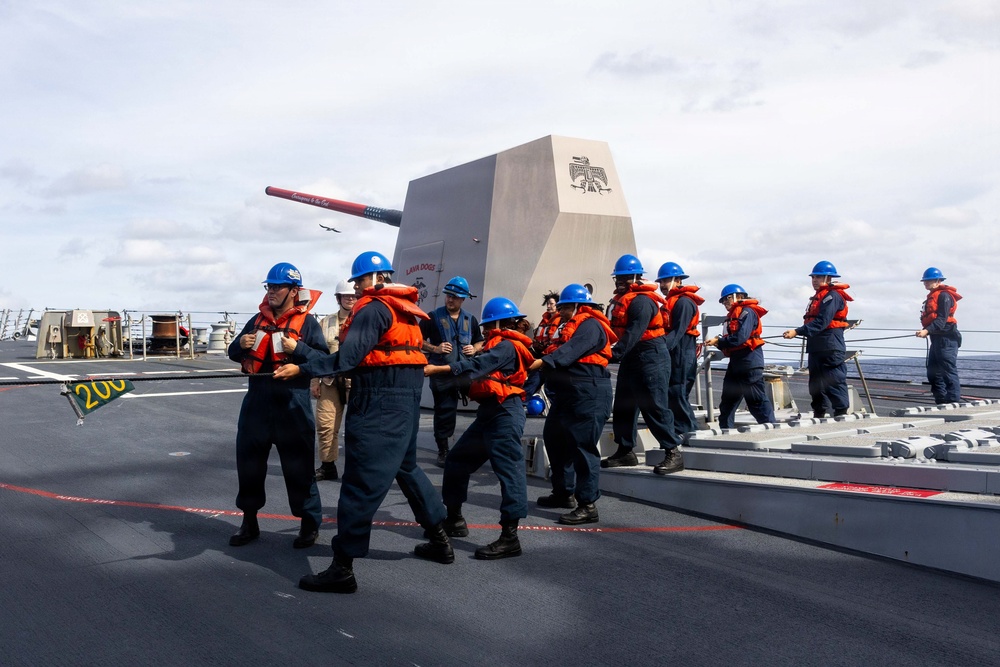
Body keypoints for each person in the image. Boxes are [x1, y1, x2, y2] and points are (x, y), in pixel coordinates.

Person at [274, 251, 452, 594]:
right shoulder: (405, 311)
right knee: (407, 468)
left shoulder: (372, 309)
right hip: (407, 398)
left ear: (373, 279)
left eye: (358, 281)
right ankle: (439, 539)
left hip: (379, 400)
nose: (355, 288)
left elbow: (349, 359)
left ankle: (343, 567)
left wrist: (302, 362)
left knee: (359, 483)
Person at [424, 297, 535, 559]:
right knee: (457, 461)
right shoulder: (497, 345)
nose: (483, 332)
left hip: (505, 413)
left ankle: (510, 537)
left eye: (486, 327)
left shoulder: (507, 346)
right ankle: (454, 519)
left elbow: (476, 366)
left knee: (509, 473)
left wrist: (440, 368)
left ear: (498, 322)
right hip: (489, 412)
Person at [226, 262, 325, 550]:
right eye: (268, 286)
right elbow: (234, 354)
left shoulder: (307, 323)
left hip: (293, 404)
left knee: (299, 468)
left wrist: (299, 353)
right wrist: (240, 345)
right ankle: (249, 521)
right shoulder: (256, 320)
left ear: (294, 291)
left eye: (277, 287)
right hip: (256, 402)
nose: (271, 291)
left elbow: (322, 359)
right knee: (249, 465)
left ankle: (309, 524)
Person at [533, 284, 616, 523]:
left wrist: (542, 362)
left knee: (583, 447)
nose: (563, 313)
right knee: (554, 438)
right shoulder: (568, 325)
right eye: (561, 308)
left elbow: (569, 351)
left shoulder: (591, 325)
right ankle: (563, 492)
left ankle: (588, 504)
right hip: (568, 392)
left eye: (567, 308)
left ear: (580, 306)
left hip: (588, 391)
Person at [602, 254, 684, 475]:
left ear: (637, 277)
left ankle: (673, 452)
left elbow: (633, 333)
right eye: (618, 277)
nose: (621, 281)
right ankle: (625, 450)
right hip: (632, 356)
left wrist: (611, 354)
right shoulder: (623, 300)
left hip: (651, 355)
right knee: (623, 405)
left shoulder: (642, 301)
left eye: (626, 277)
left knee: (654, 405)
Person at [420, 276, 485, 466]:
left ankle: (478, 444)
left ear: (463, 299)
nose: (450, 299)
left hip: (465, 373)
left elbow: (480, 341)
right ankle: (443, 450)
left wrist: (475, 349)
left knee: (485, 403)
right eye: (448, 295)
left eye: (455, 297)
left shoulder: (470, 319)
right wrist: (435, 349)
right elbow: (417, 339)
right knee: (444, 413)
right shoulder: (432, 317)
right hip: (442, 374)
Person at [782, 261, 854, 418]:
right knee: (816, 384)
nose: (814, 280)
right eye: (813, 277)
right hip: (816, 346)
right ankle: (820, 412)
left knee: (833, 380)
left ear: (828, 278)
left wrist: (797, 331)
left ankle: (841, 413)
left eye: (818, 277)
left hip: (830, 344)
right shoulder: (820, 296)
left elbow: (822, 321)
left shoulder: (832, 296)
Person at [707, 284, 776, 429]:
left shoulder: (747, 312)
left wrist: (719, 341)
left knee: (756, 401)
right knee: (727, 403)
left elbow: (740, 338)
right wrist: (719, 343)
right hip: (736, 363)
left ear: (737, 297)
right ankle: (726, 433)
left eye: (726, 300)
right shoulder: (734, 316)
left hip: (749, 361)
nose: (725, 304)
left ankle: (771, 428)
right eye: (723, 302)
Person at [312, 279, 356, 481]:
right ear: (338, 298)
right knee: (325, 425)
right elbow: (317, 354)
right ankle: (328, 466)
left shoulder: (366, 319)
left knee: (359, 428)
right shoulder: (325, 323)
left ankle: (359, 470)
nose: (350, 298)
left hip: (356, 382)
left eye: (354, 295)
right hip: (329, 381)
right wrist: (315, 381)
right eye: (346, 295)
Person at [657, 262, 705, 437]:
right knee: (677, 393)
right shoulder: (672, 301)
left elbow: (678, 331)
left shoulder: (684, 302)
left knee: (676, 391)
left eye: (666, 281)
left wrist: (660, 349)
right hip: (678, 348)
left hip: (682, 349)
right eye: (660, 282)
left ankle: (689, 431)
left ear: (677, 280)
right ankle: (686, 430)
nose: (662, 285)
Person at [916, 267, 963, 404]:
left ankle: (953, 401)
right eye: (924, 281)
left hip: (947, 338)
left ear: (937, 281)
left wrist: (926, 330)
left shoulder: (944, 296)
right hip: (936, 338)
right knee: (933, 372)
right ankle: (941, 400)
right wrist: (927, 331)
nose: (925, 283)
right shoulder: (932, 296)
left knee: (948, 371)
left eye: (928, 281)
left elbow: (941, 320)